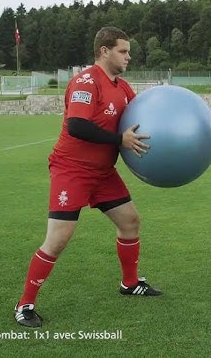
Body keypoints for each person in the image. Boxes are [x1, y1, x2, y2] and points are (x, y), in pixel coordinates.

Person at [14, 26, 162, 328]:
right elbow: (78, 126)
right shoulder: (86, 81)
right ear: (104, 51)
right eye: (123, 51)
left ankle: (129, 283)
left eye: (128, 51)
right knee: (57, 239)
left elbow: (136, 119)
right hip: (72, 171)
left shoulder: (122, 87)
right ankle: (24, 305)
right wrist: (119, 140)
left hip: (103, 173)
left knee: (130, 221)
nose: (128, 57)